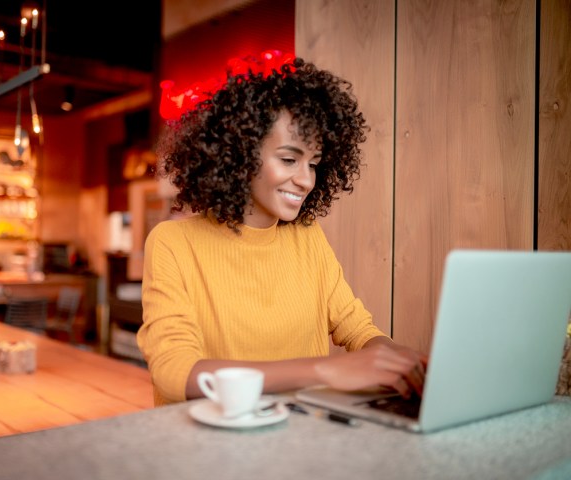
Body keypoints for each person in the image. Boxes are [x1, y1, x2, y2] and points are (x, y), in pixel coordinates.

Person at [137, 56, 427, 407]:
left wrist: (406, 364)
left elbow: (358, 329)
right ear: (241, 154)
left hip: (299, 434)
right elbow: (173, 372)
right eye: (289, 160)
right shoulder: (173, 244)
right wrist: (323, 371)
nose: (306, 179)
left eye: (314, 164)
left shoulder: (306, 235)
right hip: (213, 442)